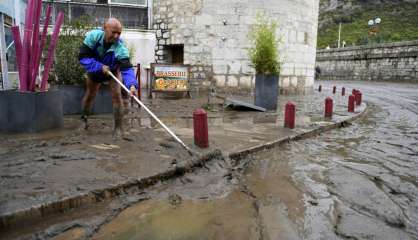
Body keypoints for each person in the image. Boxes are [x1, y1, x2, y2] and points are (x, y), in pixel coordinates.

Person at [78, 18, 138, 139]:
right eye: (113, 32)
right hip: (95, 71)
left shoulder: (120, 47)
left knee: (117, 96)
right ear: (105, 29)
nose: (116, 36)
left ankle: (118, 128)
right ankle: (83, 120)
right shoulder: (93, 37)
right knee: (90, 95)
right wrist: (99, 67)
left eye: (119, 33)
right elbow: (83, 57)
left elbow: (126, 69)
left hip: (113, 72)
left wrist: (131, 84)